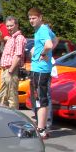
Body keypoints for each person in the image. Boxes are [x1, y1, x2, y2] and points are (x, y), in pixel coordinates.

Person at [28, 8, 57, 139]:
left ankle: (41, 129)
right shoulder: (42, 30)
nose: (31, 21)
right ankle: (41, 126)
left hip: (41, 69)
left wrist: (44, 53)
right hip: (38, 68)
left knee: (41, 99)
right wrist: (40, 51)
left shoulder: (43, 29)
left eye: (34, 18)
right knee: (38, 98)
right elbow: (56, 40)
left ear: (40, 17)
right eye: (30, 18)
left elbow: (50, 44)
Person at [0, 16, 27, 109]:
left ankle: (14, 116)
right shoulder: (10, 38)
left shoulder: (19, 38)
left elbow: (18, 55)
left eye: (11, 26)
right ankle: (2, 115)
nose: (9, 28)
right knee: (3, 94)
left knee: (11, 95)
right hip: (4, 69)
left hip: (11, 70)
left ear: (17, 25)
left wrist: (11, 70)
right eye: (7, 26)